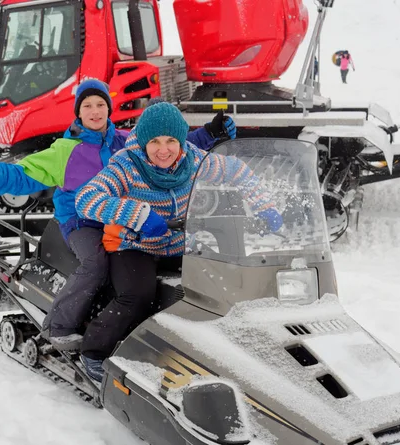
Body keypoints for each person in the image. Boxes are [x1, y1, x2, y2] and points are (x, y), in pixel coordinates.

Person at [0, 80, 237, 351]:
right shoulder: (65, 151)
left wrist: (210, 134)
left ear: (109, 109)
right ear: (78, 111)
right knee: (97, 262)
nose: (94, 111)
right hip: (82, 222)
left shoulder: (126, 140)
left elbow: (168, 144)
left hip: (122, 219)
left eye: (100, 104)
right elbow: (22, 175)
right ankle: (59, 325)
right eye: (87, 105)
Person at [75, 102, 282, 381]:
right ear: (143, 141)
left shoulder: (194, 159)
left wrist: (264, 206)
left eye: (171, 140)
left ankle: (223, 348)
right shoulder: (126, 164)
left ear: (181, 140)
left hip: (178, 242)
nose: (164, 150)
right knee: (137, 296)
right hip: (134, 245)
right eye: (155, 142)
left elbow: (237, 170)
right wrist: (138, 215)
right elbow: (87, 198)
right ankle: (93, 352)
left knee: (223, 280)